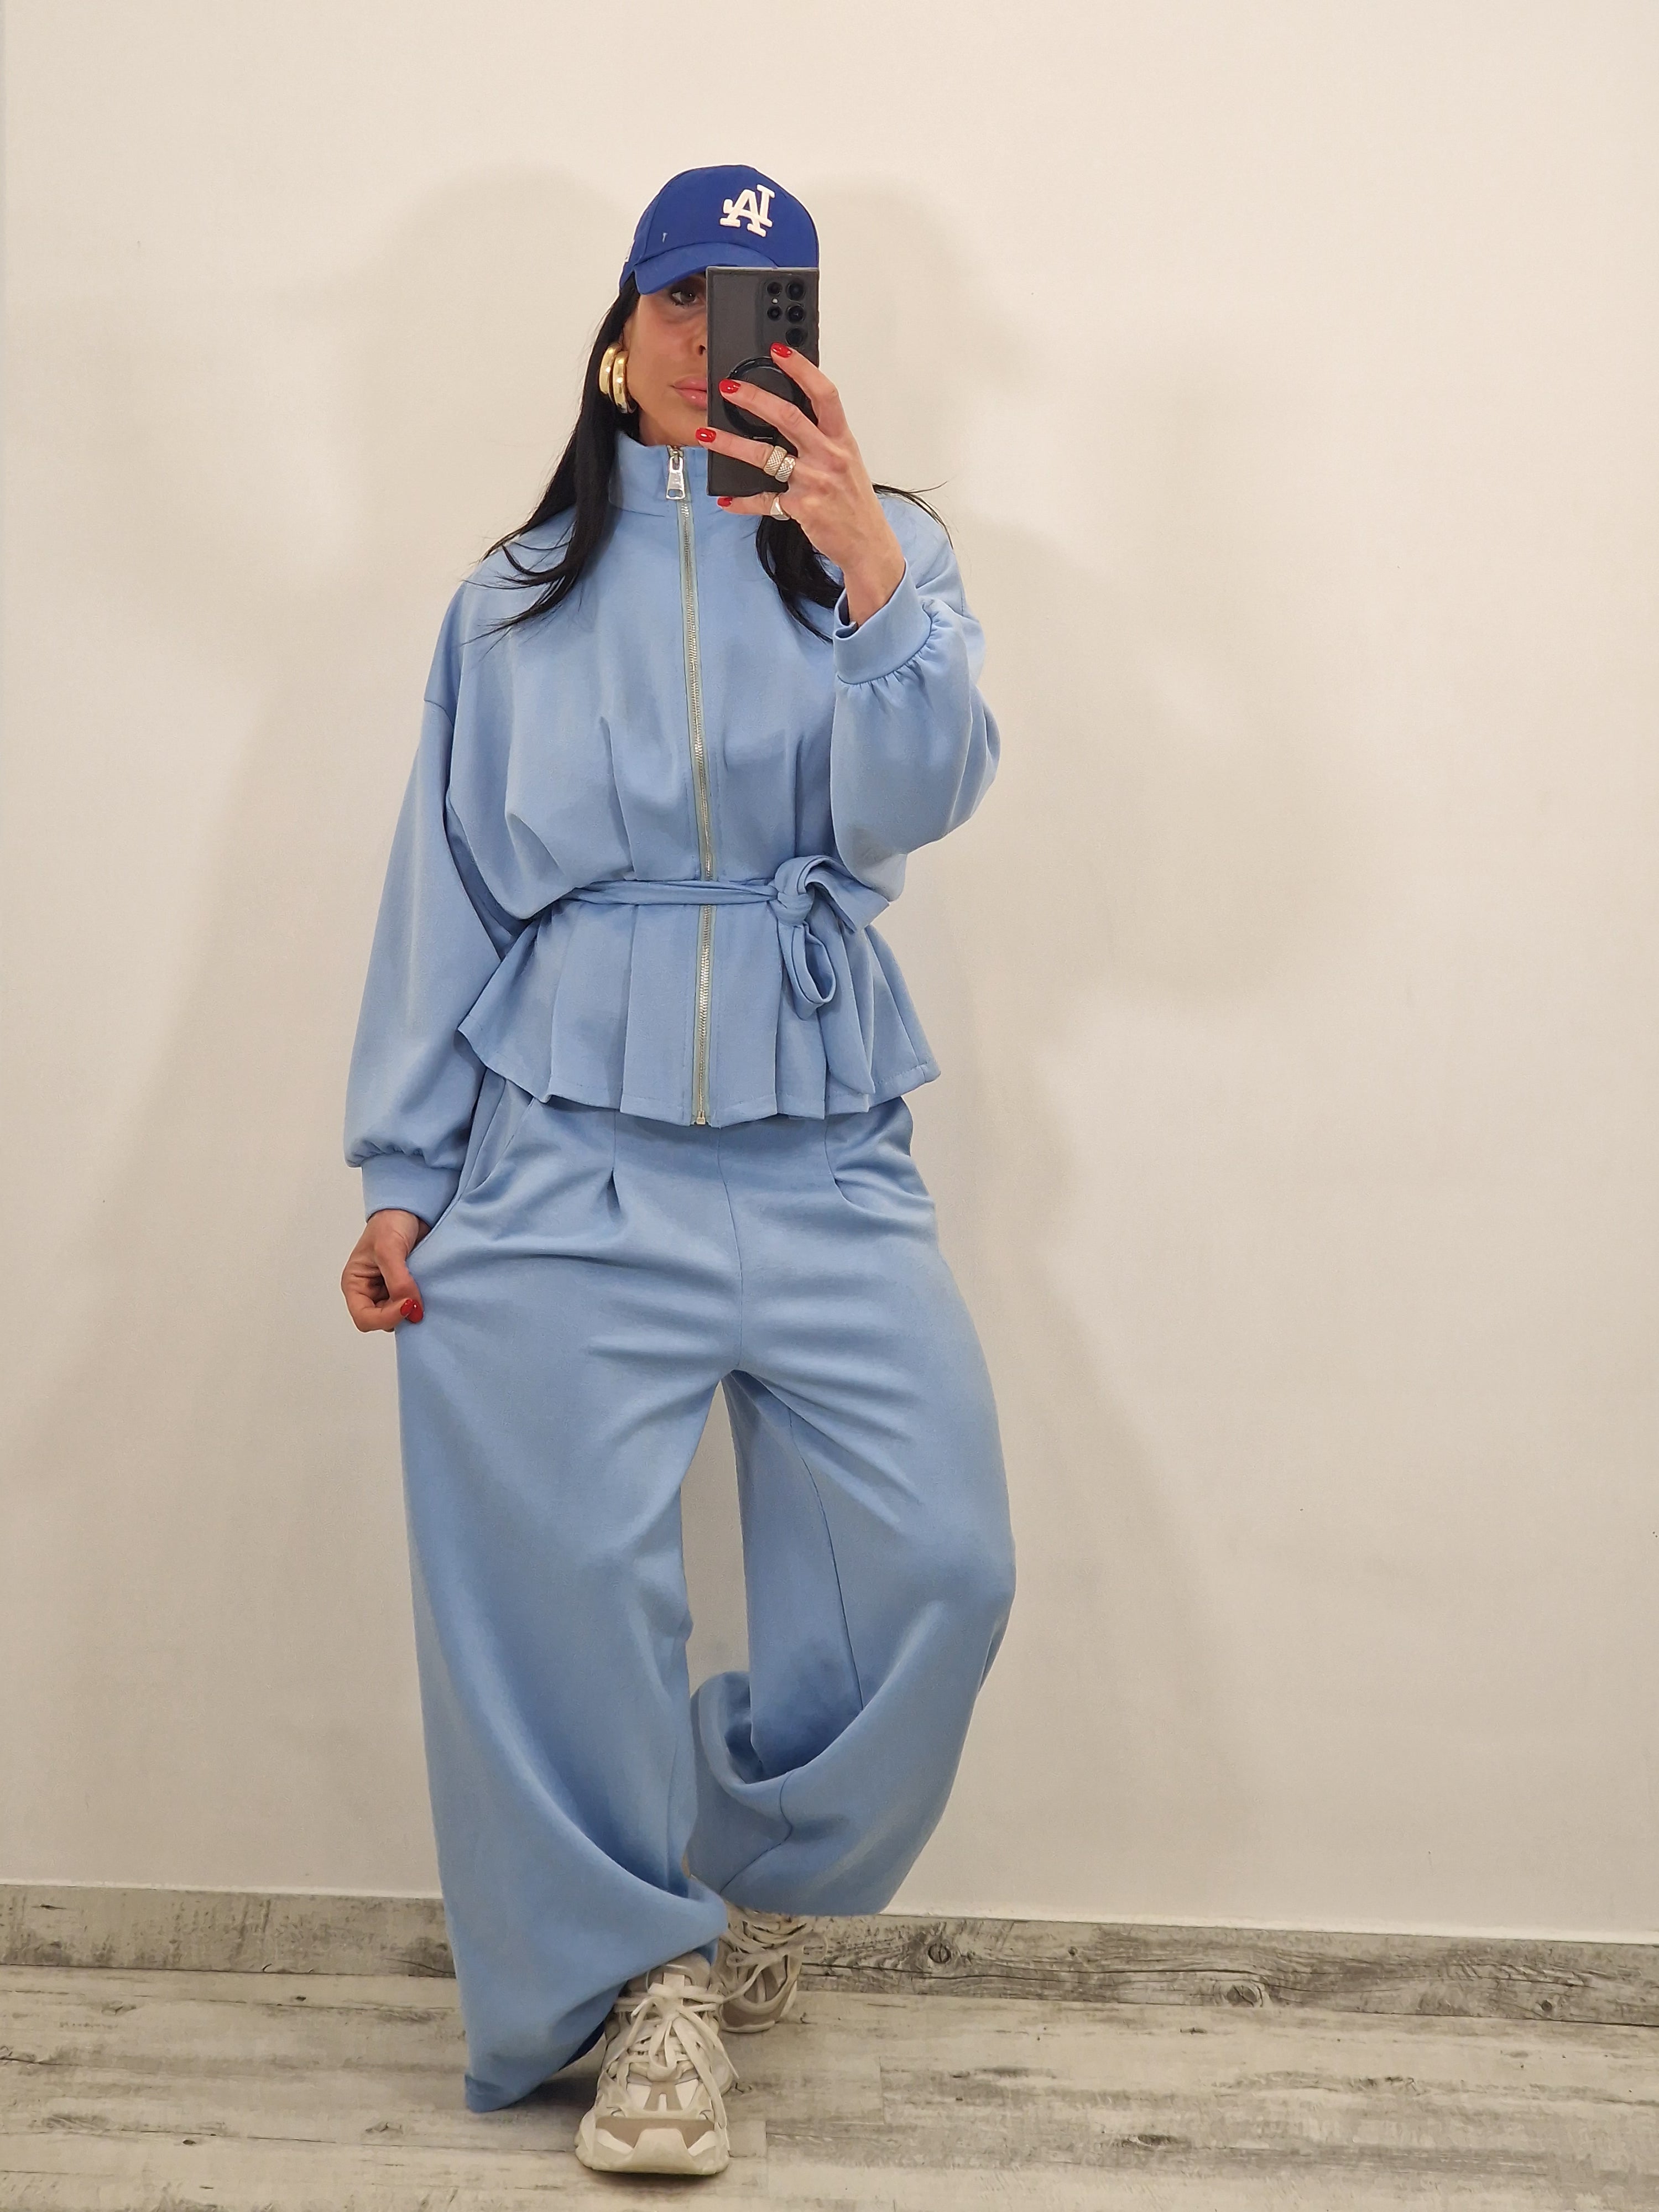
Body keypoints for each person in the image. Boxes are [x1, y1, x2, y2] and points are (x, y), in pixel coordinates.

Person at [339, 164, 1017, 2179]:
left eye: (762, 305)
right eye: (682, 302)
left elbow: (926, 798)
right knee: (558, 1593)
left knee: (945, 1566)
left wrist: (866, 572)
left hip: (824, 1154)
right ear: (621, 339)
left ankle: (730, 1882)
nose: (716, 340)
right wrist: (402, 1172)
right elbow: (448, 895)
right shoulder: (511, 597)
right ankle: (642, 1978)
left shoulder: (890, 550)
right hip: (566, 1156)